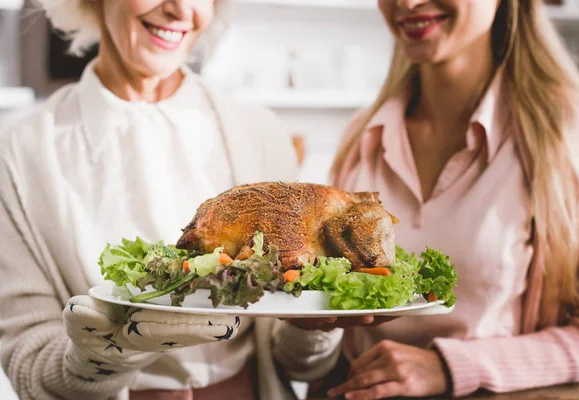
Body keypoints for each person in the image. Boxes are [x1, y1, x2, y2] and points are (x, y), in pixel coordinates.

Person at [0, 1, 340, 399]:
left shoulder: (257, 131)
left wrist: (312, 324)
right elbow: (28, 366)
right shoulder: (18, 154)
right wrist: (107, 352)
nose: (180, 9)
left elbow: (300, 362)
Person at [305, 0, 579, 398]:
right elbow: (330, 340)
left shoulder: (568, 131)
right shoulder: (362, 138)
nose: (406, 4)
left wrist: (456, 366)